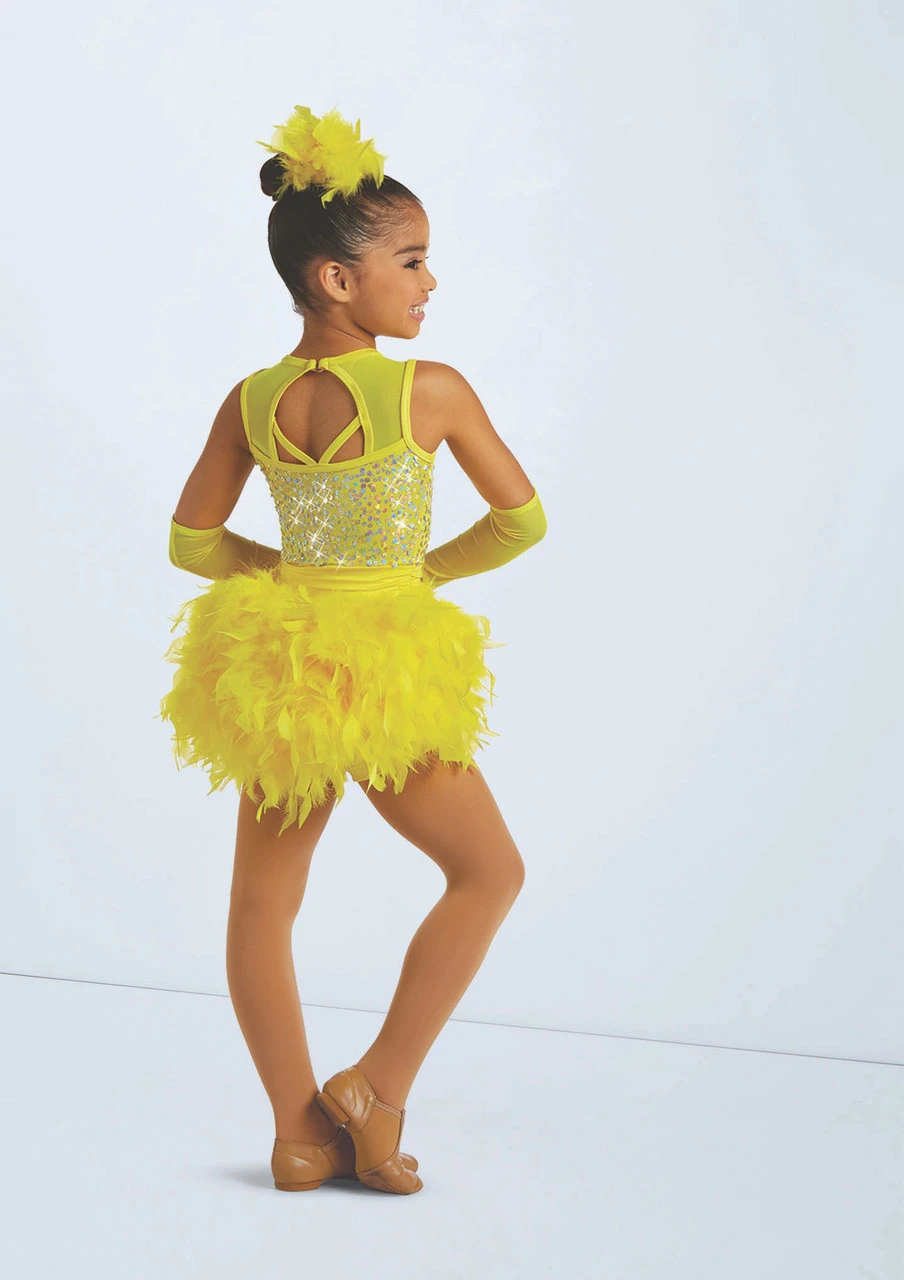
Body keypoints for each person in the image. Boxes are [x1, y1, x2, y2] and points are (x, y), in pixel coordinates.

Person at [157, 104, 547, 1195]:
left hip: (282, 670)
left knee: (262, 903)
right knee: (488, 871)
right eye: (412, 261)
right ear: (337, 278)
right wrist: (417, 577)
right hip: (384, 670)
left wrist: (290, 580)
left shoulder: (253, 400)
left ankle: (298, 1134)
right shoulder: (428, 391)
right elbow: (520, 521)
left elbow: (192, 542)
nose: (430, 282)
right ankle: (377, 1085)